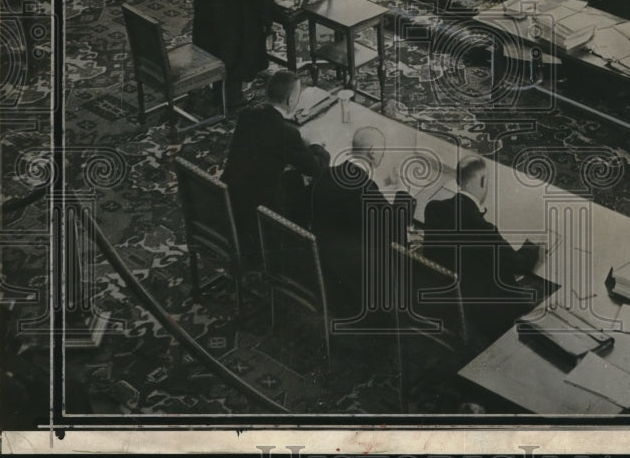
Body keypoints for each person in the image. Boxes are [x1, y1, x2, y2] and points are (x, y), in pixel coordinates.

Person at [423, 156, 542, 343]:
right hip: (479, 311)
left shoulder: (433, 209)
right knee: (537, 302)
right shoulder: (481, 227)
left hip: (442, 298)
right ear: (483, 181)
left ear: (458, 180)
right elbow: (519, 264)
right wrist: (532, 245)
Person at [221, 70, 330, 264]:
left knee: (292, 177)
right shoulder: (286, 133)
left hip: (231, 199)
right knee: (315, 186)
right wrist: (316, 146)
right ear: (290, 101)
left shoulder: (246, 115)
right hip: (262, 214)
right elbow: (316, 169)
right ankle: (298, 246)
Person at [308, 126, 413, 323]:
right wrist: (402, 191)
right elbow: (397, 226)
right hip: (355, 283)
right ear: (373, 152)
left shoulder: (325, 174)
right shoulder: (366, 189)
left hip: (322, 264)